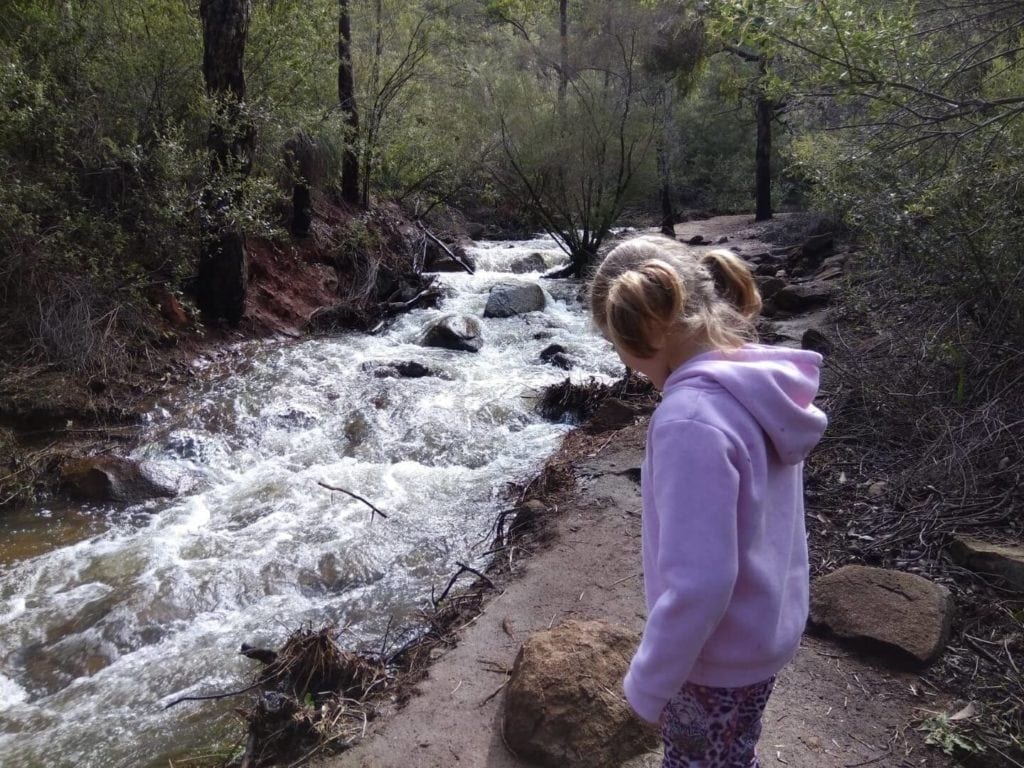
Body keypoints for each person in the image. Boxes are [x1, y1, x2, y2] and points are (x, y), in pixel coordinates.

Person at [588, 235, 828, 768]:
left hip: (713, 659)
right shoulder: (756, 388)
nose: (626, 365)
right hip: (763, 633)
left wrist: (649, 682)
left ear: (643, 327)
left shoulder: (689, 420)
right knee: (733, 753)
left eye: (616, 344)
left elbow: (700, 582)